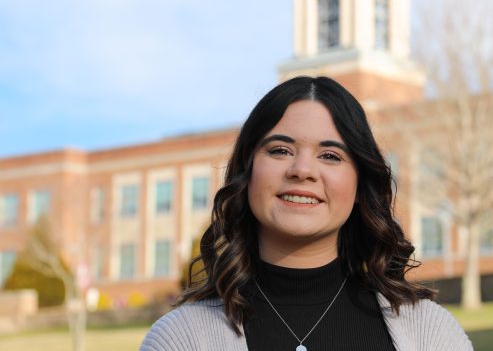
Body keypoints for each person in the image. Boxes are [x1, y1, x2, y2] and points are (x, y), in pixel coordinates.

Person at [140, 76, 472, 351]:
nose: (302, 170)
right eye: (280, 150)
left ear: (360, 185)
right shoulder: (180, 339)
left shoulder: (431, 334)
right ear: (247, 171)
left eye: (330, 155)